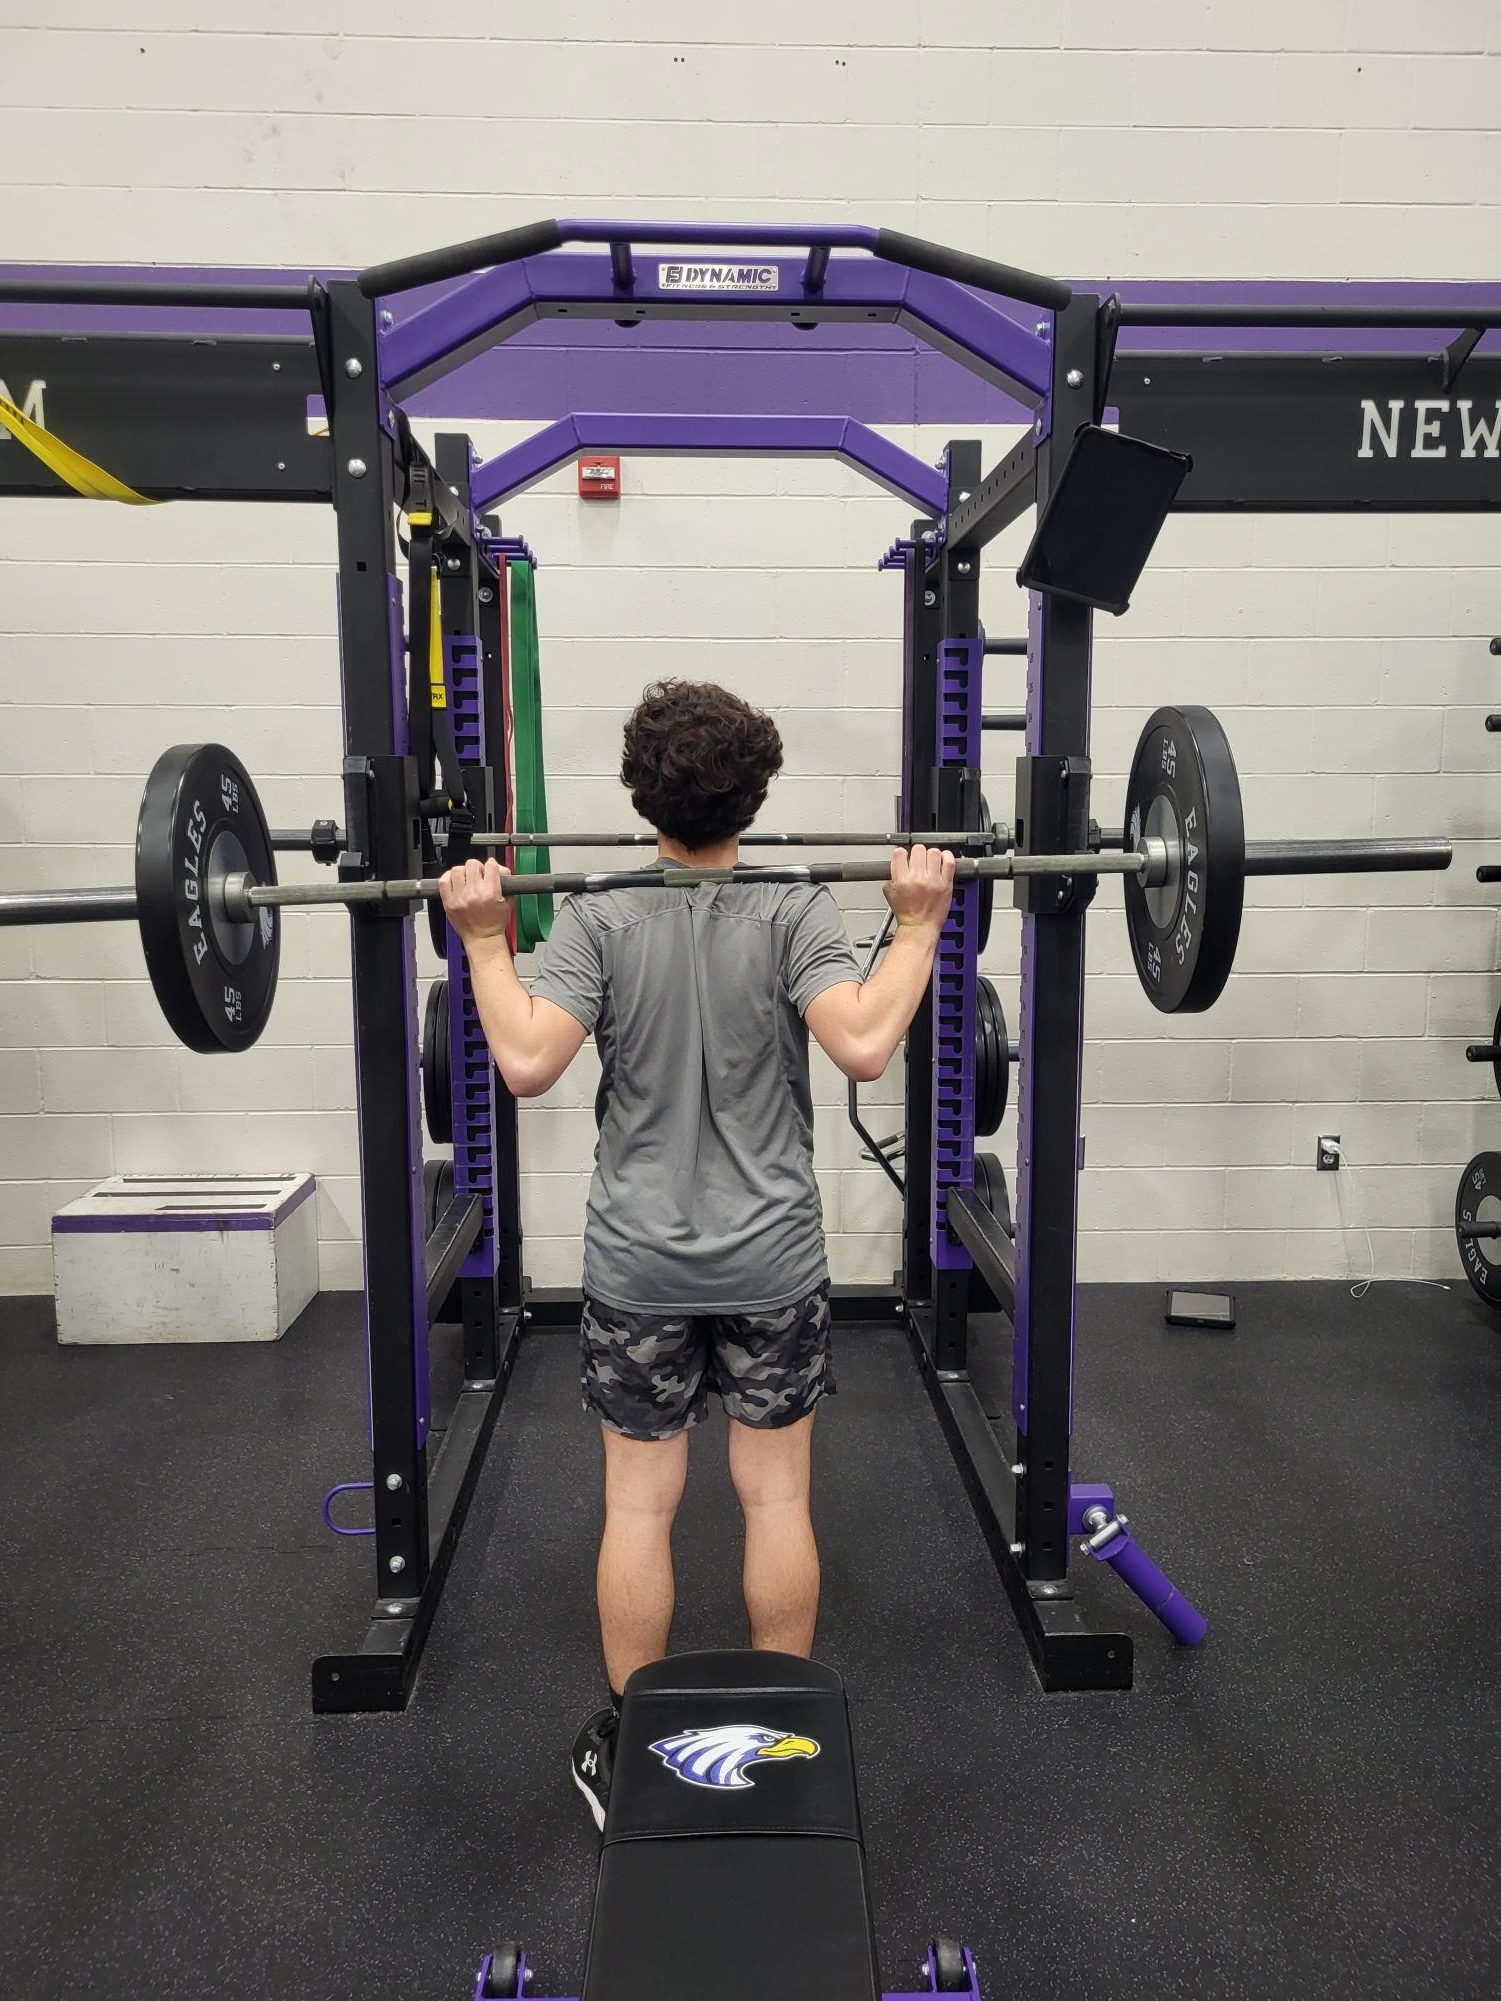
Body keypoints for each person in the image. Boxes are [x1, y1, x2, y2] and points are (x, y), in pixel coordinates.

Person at [439, 679, 954, 1830]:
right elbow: (866, 1043)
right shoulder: (797, 909)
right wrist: (916, 921)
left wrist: (483, 940)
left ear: (640, 795)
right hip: (771, 1261)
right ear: (754, 797)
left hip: (638, 1270)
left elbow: (524, 1062)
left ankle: (630, 1746)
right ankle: (787, 1733)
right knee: (775, 1499)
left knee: (639, 1509)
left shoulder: (598, 914)